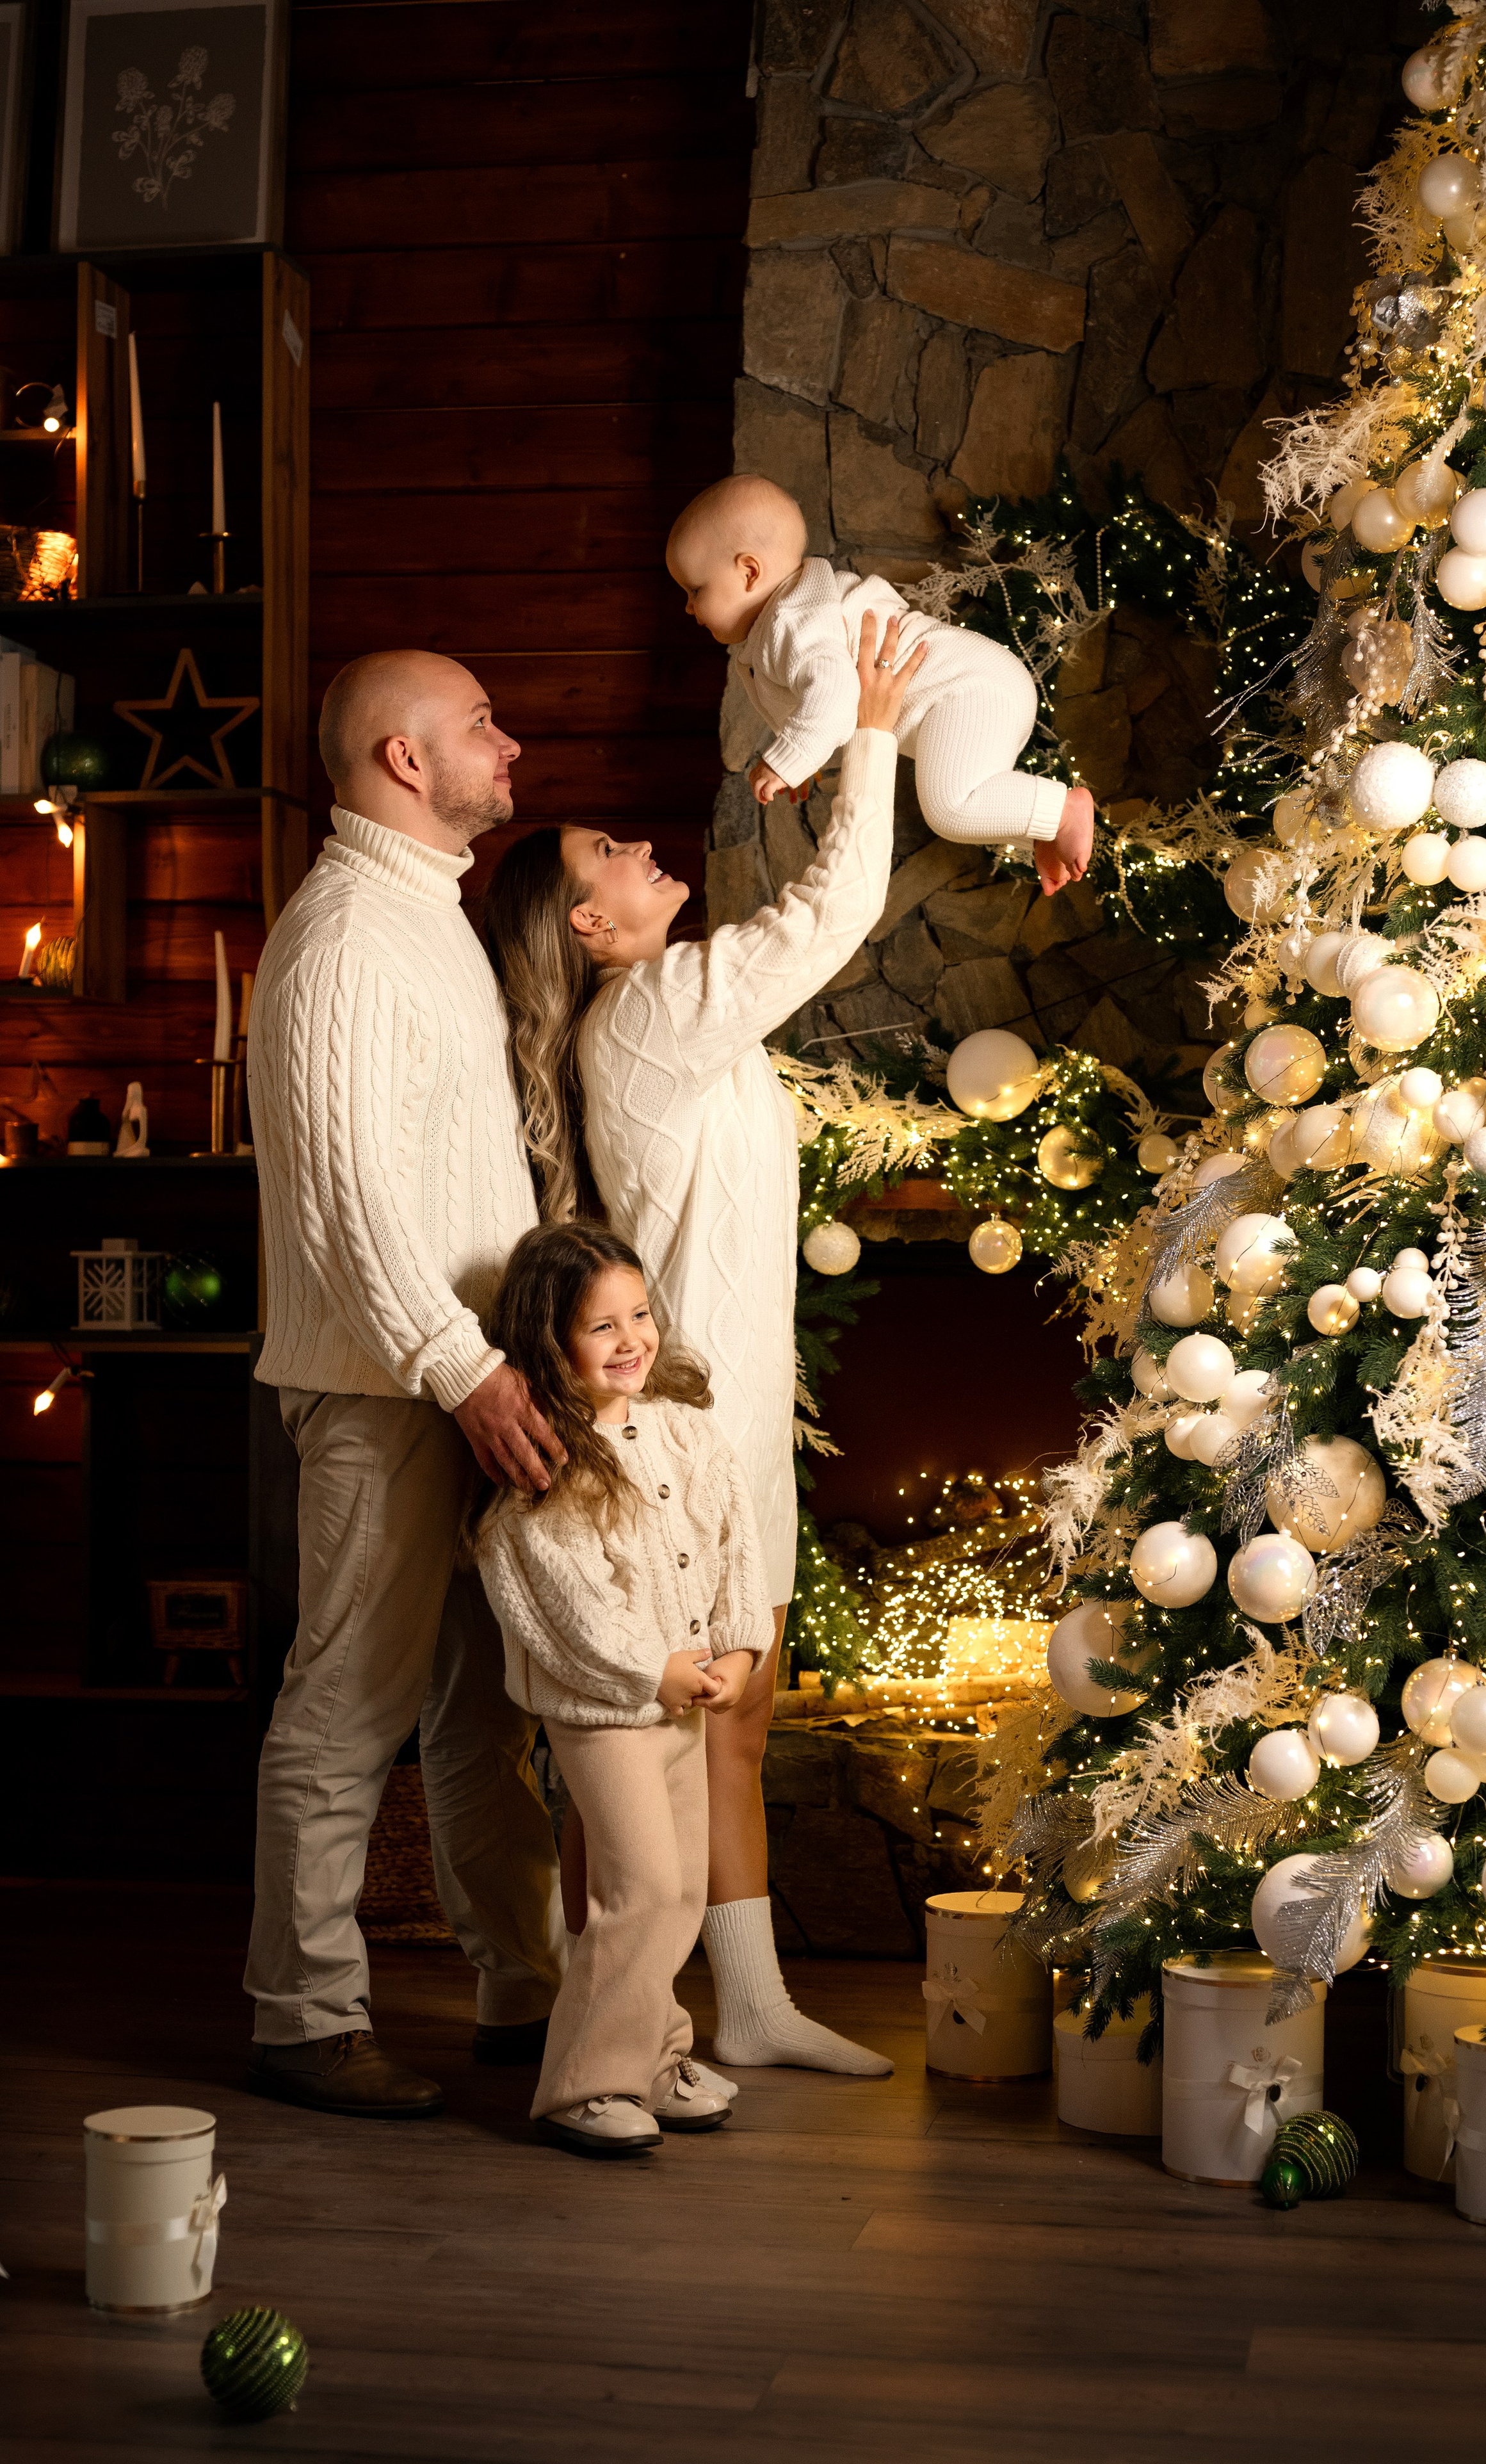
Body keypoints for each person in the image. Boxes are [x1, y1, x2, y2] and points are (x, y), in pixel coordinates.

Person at [484, 612, 917, 2077]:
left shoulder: (671, 1022)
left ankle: (746, 1998)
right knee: (658, 1729)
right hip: (685, 1428)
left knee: (738, 1712)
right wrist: (871, 725)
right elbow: (830, 908)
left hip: (723, 1415)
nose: (636, 848)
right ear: (589, 925)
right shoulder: (654, 1009)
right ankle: (616, 2014)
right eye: (607, 849)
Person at [244, 649, 568, 2118]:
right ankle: (303, 2018)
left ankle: (526, 1994)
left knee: (476, 1709)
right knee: (345, 1704)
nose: (510, 742)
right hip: (390, 1388)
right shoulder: (340, 944)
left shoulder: (422, 915)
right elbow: (345, 1203)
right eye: (480, 725)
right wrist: (463, 1368)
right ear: (398, 758)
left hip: (462, 1376)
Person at [475, 1221, 769, 2157]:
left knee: (682, 1892)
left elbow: (736, 1551)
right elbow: (561, 1604)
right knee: (638, 1890)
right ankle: (582, 2085)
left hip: (685, 1700)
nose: (632, 1338)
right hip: (607, 1715)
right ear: (548, 1342)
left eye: (639, 1314)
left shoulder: (688, 1436)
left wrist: (740, 1649)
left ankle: (652, 2056)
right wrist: (654, 1670)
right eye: (602, 1327)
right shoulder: (542, 1463)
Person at [666, 471, 1095, 895]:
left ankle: (1060, 810)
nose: (688, 608)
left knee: (949, 809)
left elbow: (834, 694)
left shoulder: (791, 621)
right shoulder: (798, 612)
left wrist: (789, 757)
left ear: (748, 572)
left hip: (967, 688)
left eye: (694, 590)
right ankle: (1042, 830)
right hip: (984, 685)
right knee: (965, 799)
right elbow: (815, 692)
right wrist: (802, 753)